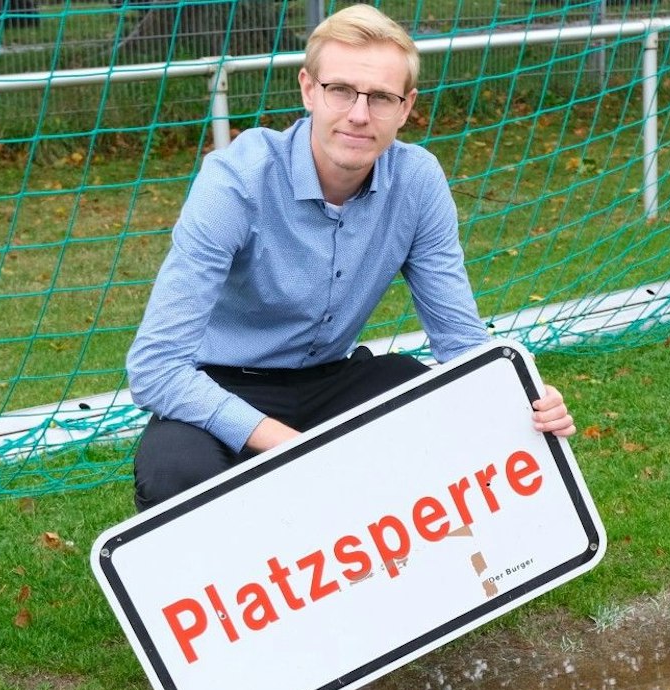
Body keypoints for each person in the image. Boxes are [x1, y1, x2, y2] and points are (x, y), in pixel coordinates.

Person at [124, 3, 575, 512]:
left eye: (381, 97)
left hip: (334, 380)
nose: (359, 115)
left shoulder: (417, 181)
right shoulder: (236, 180)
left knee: (428, 396)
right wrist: (293, 447)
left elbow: (462, 343)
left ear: (406, 108)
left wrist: (526, 398)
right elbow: (156, 367)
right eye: (341, 90)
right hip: (225, 384)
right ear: (308, 90)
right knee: (176, 472)